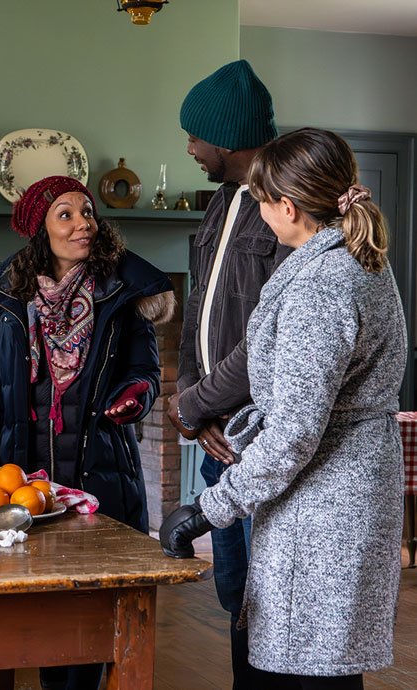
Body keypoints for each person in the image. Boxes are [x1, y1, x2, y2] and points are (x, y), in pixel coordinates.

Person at [160, 127, 407, 690]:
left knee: (315, 673)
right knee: (324, 665)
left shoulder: (321, 284)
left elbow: (295, 433)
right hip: (345, 491)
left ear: (287, 207)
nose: (258, 212)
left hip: (325, 504)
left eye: (261, 202)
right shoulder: (355, 261)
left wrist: (208, 509)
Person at [0, 175, 174, 690]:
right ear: (40, 231)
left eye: (88, 213)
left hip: (101, 475)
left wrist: (138, 393)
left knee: (95, 611)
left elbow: (145, 369)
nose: (83, 225)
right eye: (66, 214)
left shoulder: (120, 295)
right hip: (26, 481)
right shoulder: (11, 303)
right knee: (43, 610)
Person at [166, 58, 291, 688]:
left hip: (264, 441)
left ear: (226, 134)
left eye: (195, 135)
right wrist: (194, 398)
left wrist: (202, 406)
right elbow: (199, 308)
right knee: (234, 589)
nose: (188, 146)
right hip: (221, 431)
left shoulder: (285, 206)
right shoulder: (220, 202)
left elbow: (273, 340)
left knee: (271, 600)